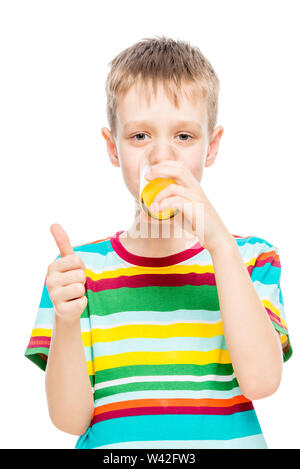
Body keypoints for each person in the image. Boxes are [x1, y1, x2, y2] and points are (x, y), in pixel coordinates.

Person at [24, 35, 292, 449]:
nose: (160, 156)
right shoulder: (79, 270)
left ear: (212, 146)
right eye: (140, 137)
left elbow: (261, 382)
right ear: (113, 148)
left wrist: (219, 244)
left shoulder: (252, 258)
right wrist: (66, 318)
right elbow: (70, 420)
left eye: (184, 137)